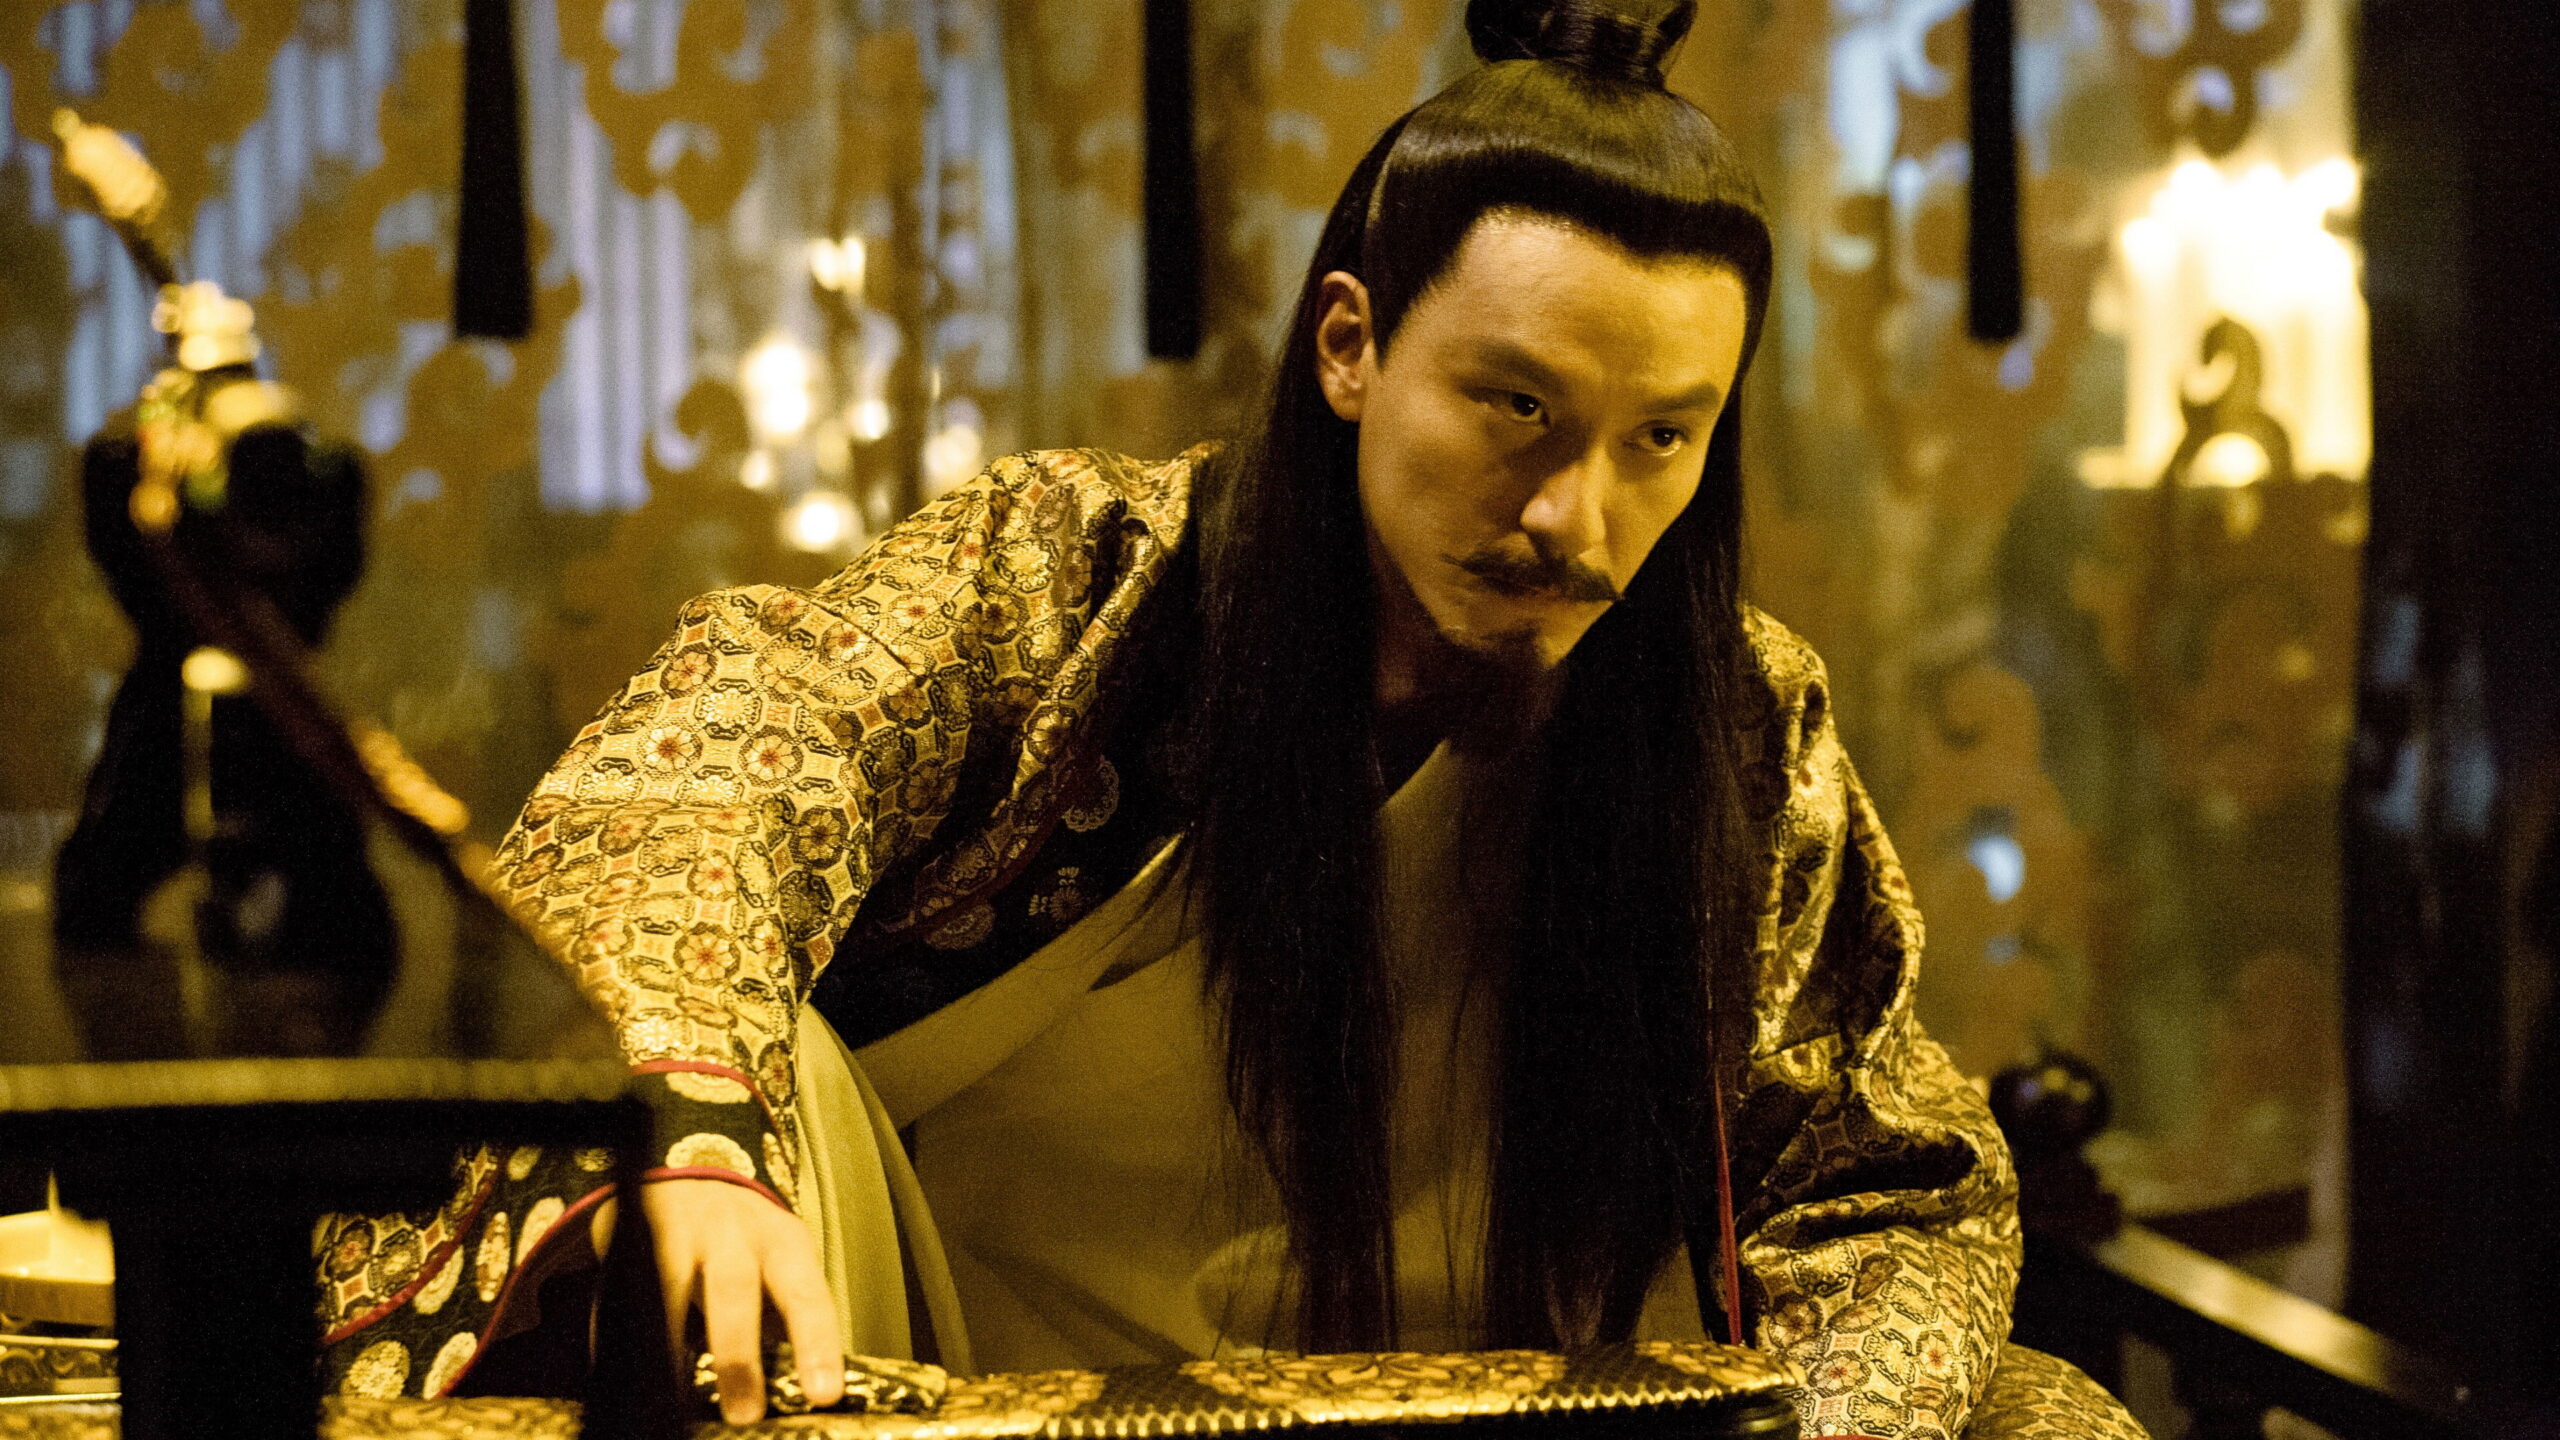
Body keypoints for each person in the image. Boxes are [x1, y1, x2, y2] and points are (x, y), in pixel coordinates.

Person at [317, 3, 2146, 1435]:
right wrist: (705, 1138)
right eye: (1516, 406)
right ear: (1350, 346)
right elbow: (716, 762)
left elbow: (1890, 1183)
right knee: (673, 1095)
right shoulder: (1077, 578)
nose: (1574, 516)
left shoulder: (1733, 719)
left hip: (1522, 1407)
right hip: (964, 1384)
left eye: (1661, 437)